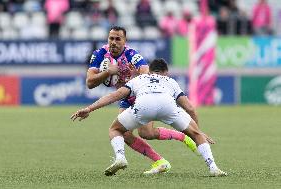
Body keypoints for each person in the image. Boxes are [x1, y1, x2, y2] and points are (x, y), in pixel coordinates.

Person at [71, 58, 227, 177]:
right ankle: (213, 167)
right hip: (168, 106)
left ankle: (120, 157)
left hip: (144, 105)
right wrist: (197, 131)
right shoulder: (170, 81)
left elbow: (115, 95)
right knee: (196, 135)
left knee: (115, 129)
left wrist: (89, 108)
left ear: (150, 71)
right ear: (165, 72)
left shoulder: (140, 79)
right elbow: (190, 108)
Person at [84, 26, 200, 174]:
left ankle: (182, 138)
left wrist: (133, 76)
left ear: (125, 41)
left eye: (118, 39)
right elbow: (90, 82)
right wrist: (107, 72)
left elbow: (145, 72)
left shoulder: (132, 54)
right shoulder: (100, 54)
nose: (113, 42)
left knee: (145, 133)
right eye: (111, 38)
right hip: (126, 96)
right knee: (126, 133)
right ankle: (159, 161)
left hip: (142, 95)